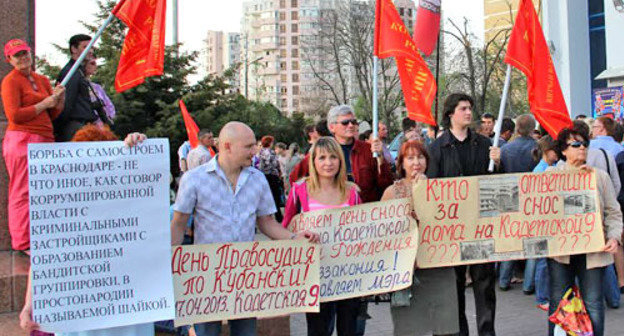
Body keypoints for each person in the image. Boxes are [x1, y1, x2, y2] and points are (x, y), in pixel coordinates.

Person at [171, 122, 318, 336]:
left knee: (245, 332)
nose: (254, 151)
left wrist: (295, 237)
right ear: (228, 146)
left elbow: (267, 223)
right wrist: (171, 262)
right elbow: (179, 223)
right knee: (205, 332)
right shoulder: (194, 179)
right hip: (206, 278)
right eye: (248, 146)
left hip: (245, 277)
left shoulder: (257, 179)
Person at [19, 126, 154, 336]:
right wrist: (29, 305)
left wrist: (141, 148)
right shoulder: (59, 207)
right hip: (81, 317)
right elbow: (44, 260)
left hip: (126, 316)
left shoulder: (132, 203)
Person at [427, 93, 500, 336]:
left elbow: (497, 186)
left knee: (485, 285)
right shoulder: (436, 148)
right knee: (454, 287)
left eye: (470, 108)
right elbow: (432, 189)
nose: (469, 113)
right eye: (463, 108)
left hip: (480, 227)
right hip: (452, 230)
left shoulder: (485, 144)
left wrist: (498, 165)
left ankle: (486, 332)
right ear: (450, 113)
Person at [282, 136, 362, 336]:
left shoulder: (352, 192)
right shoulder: (299, 190)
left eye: (333, 157)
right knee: (318, 330)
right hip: (316, 276)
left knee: (349, 330)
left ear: (340, 161)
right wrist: (297, 237)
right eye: (322, 158)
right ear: (313, 161)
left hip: (349, 275)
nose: (328, 163)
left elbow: (363, 230)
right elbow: (286, 228)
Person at [547, 128, 623, 336]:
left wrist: (614, 237)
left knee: (594, 304)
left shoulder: (599, 177)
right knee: (559, 302)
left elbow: (613, 212)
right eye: (576, 144)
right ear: (564, 150)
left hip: (594, 251)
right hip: (561, 253)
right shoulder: (551, 175)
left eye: (584, 144)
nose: (582, 148)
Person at [381, 140, 459, 336]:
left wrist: (426, 192)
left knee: (444, 326)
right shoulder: (392, 192)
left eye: (420, 157)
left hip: (437, 267)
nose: (416, 162)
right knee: (409, 328)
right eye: (410, 158)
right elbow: (382, 231)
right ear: (401, 163)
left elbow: (448, 224)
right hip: (407, 272)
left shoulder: (439, 189)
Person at [1, 38, 65, 252]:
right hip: (22, 139)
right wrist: (43, 104)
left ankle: (40, 237)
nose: (23, 58)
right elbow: (15, 115)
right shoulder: (10, 81)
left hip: (45, 139)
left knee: (43, 191)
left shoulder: (42, 79)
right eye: (17, 55)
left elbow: (54, 112)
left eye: (24, 53)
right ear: (9, 59)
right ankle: (23, 242)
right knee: (23, 190)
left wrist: (59, 98)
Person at [498, 114, 538, 293]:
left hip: (510, 196)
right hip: (531, 197)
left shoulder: (506, 149)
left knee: (511, 240)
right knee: (532, 242)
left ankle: (503, 280)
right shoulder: (536, 148)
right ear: (531, 128)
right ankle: (529, 284)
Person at [54, 34, 99, 141]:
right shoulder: (71, 72)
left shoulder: (79, 71)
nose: (90, 50)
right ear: (74, 49)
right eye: (85, 47)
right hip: (75, 128)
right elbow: (66, 103)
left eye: (92, 47)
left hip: (83, 126)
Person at [531, 136, 558, 312]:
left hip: (550, 220)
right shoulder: (540, 171)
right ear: (548, 152)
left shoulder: (549, 168)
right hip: (543, 221)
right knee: (542, 261)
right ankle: (542, 296)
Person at [258, 135, 284, 222]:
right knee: (275, 196)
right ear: (270, 143)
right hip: (272, 176)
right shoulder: (272, 152)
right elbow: (275, 164)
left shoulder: (260, 152)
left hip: (263, 176)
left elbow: (260, 165)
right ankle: (279, 217)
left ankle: (266, 216)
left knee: (266, 196)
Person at [83, 57, 115, 127]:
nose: (95, 66)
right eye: (92, 63)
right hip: (88, 126)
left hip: (103, 127)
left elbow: (109, 106)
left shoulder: (97, 87)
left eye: (95, 63)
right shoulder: (80, 86)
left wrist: (108, 117)